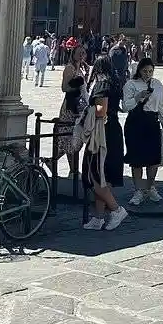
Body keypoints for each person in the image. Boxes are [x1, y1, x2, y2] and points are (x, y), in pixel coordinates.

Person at [81, 56, 128, 231]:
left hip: (102, 134)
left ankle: (116, 210)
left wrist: (86, 111)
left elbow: (101, 111)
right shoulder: (115, 84)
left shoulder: (102, 84)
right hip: (113, 131)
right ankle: (99, 217)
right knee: (104, 177)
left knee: (94, 175)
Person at [123, 58, 163, 205]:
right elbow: (125, 106)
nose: (148, 74)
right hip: (135, 122)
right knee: (137, 159)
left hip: (152, 122)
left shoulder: (157, 84)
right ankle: (138, 190)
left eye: (150, 71)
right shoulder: (131, 84)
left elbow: (161, 104)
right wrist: (138, 97)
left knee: (153, 159)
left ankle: (150, 187)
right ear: (139, 70)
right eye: (145, 71)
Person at [55, 46, 88, 175]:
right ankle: (73, 170)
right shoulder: (70, 68)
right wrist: (76, 84)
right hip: (70, 107)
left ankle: (70, 168)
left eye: (83, 53)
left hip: (79, 107)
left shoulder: (82, 67)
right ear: (73, 54)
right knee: (69, 137)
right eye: (78, 53)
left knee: (74, 138)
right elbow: (64, 88)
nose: (81, 55)